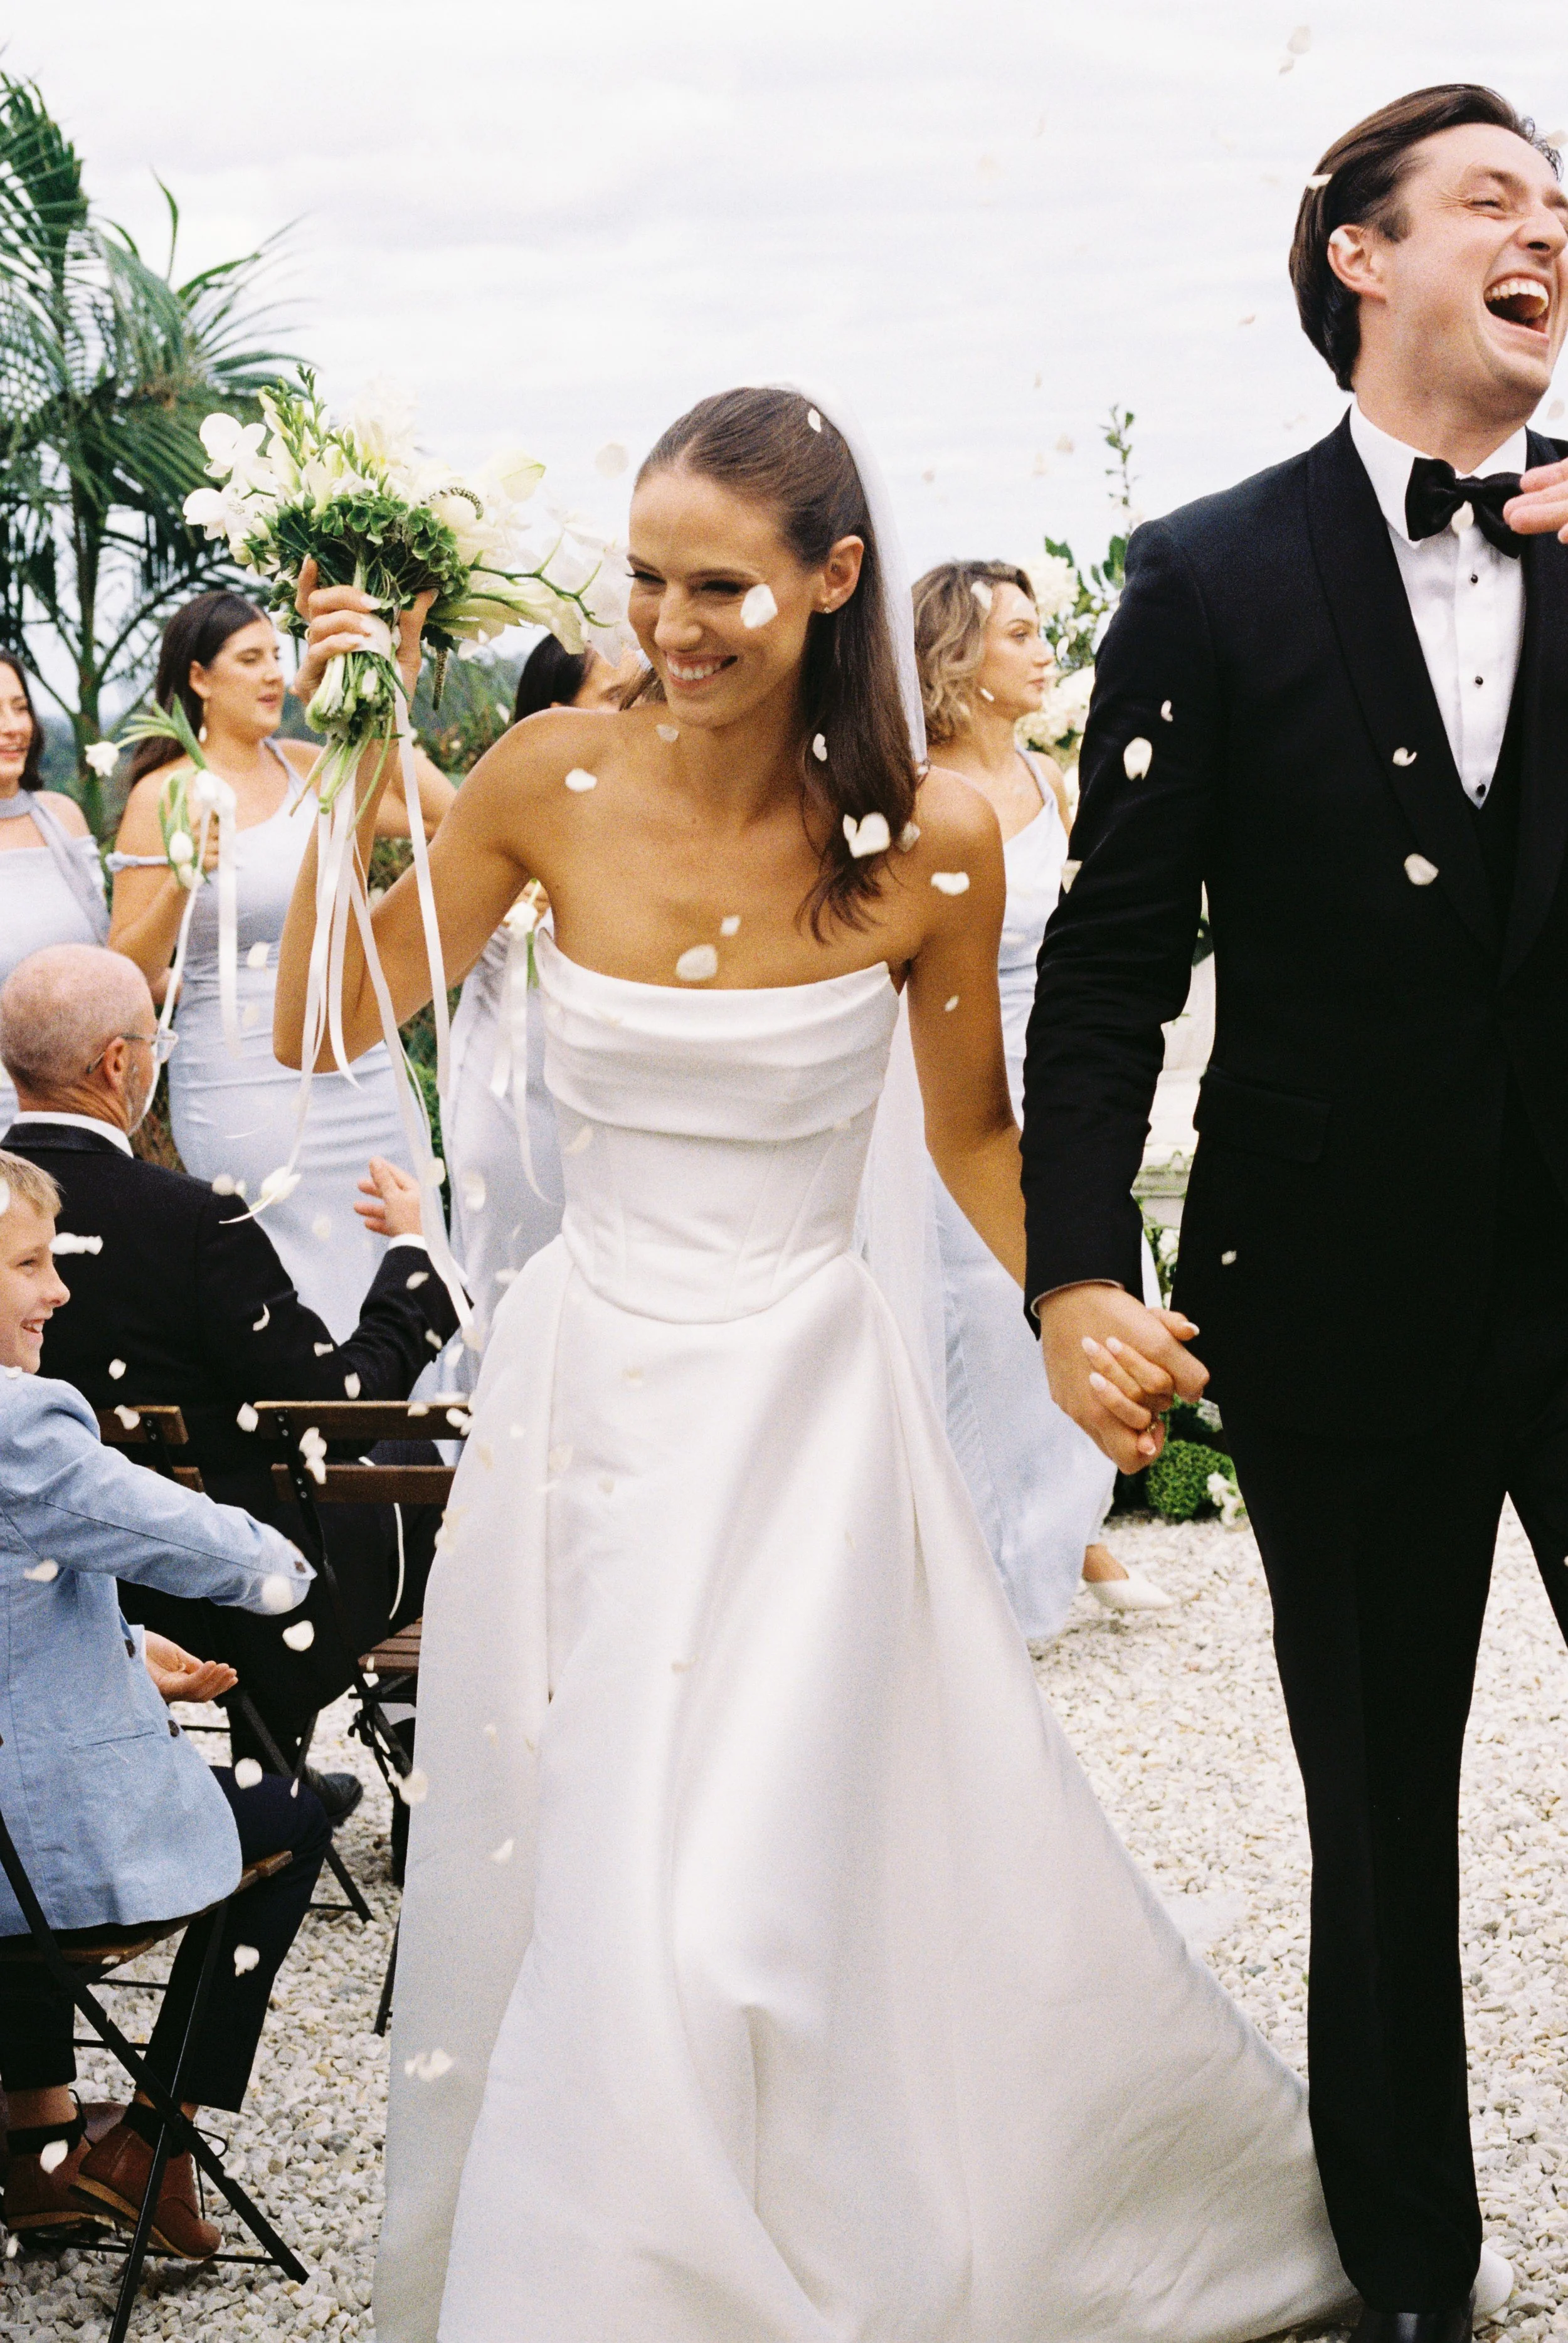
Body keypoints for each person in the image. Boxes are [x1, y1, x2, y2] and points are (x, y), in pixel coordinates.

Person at [273, 384, 1364, 2343]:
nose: (671, 626)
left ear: (830, 580)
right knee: (611, 1845)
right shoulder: (539, 780)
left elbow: (966, 1134)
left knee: (746, 1882)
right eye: (644, 580)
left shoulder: (927, 837)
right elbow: (321, 1017)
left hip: (797, 1403)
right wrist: (349, 754)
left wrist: (1066, 1300)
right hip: (591, 1394)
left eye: (720, 587)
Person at [1022, 84, 1568, 2343]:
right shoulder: (1211, 570)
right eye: (1494, 200)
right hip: (1333, 1292)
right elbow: (1113, 958)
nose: (1544, 231)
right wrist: (1074, 1260)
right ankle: (1413, 2276)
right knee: (1377, 1813)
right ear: (1359, 253)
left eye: (1561, 210)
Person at [0, 943, 459, 1803]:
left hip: (51, 1594)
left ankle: (283, 1782)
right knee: (429, 1481)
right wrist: (412, 1262)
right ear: (118, 1063)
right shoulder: (193, 1221)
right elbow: (333, 1407)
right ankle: (351, 1772)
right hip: (222, 1601)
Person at [0, 1146, 329, 2258]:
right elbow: (209, 1548)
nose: (59, 1290)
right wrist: (291, 1566)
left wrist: (126, 1646)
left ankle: (34, 2140)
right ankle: (153, 2133)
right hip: (31, 1867)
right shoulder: (19, 1427)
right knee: (296, 1809)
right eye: (31, 1264)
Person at [912, 561, 1172, 1631]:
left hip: (1058, 1070)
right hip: (957, 1075)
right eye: (1018, 635)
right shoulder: (918, 795)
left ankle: (1069, 1535)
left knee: (1089, 1288)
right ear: (961, 662)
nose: (1042, 649)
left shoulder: (1057, 782)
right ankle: (984, 1568)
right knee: (981, 1318)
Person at [109, 590, 455, 1338]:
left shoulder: (311, 765)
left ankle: (415, 1439)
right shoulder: (160, 793)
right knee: (281, 1271)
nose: (273, 675)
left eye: (278, 656)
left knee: (395, 1237)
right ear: (199, 678)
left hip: (356, 1062)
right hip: (240, 1081)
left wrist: (379, 702)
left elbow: (442, 819)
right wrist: (178, 879)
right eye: (251, 659)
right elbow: (125, 973)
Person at [443, 635, 638, 1372]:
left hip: (615, 1107)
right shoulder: (497, 820)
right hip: (507, 1099)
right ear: (554, 714)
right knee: (506, 1288)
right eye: (616, 701)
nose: (640, 718)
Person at [0, 652, 109, 1131]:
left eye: (20, 707)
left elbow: (110, 955)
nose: (12, 727)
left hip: (91, 1104)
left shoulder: (61, 817)